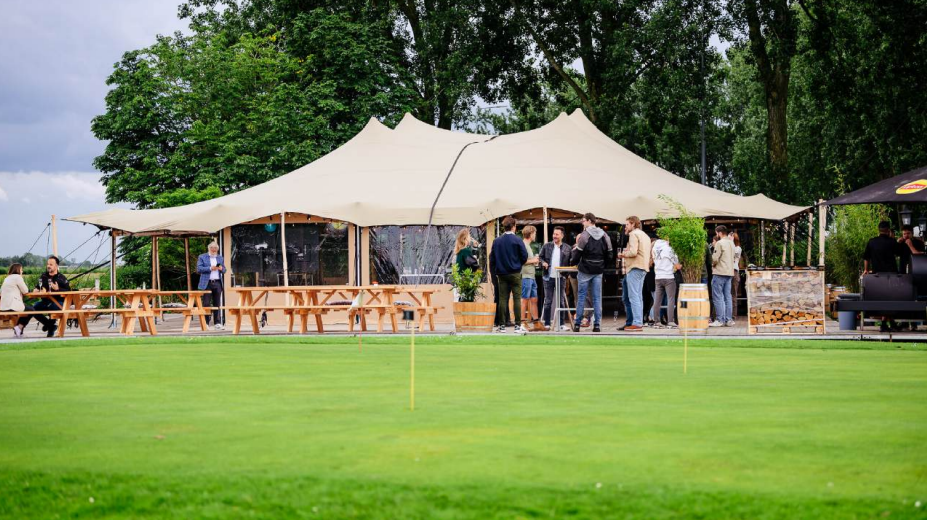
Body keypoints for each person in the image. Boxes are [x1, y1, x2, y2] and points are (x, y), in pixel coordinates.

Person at [571, 213, 613, 333]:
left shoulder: (584, 235)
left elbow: (578, 252)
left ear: (589, 221)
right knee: (597, 298)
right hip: (598, 270)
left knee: (581, 297)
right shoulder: (604, 234)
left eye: (583, 221)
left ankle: (577, 324)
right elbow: (610, 253)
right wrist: (603, 265)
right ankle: (597, 325)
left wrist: (573, 262)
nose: (582, 223)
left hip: (585, 269)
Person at [491, 216, 529, 333]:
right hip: (515, 273)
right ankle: (517, 326)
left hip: (502, 274)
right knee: (517, 299)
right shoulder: (518, 240)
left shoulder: (497, 241)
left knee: (502, 299)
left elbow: (492, 259)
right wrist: (518, 264)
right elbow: (524, 256)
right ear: (514, 227)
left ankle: (502, 326)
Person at [618, 216, 650, 332]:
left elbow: (633, 252)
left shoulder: (633, 234)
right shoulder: (645, 235)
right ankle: (633, 321)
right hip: (642, 268)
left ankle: (636, 323)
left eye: (627, 224)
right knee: (636, 296)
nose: (625, 227)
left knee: (633, 296)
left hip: (634, 267)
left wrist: (623, 254)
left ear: (633, 224)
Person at [539, 226, 572, 331]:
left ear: (562, 236)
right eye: (554, 234)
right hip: (548, 277)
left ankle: (561, 324)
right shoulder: (547, 246)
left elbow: (571, 262)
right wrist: (543, 262)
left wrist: (566, 274)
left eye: (557, 234)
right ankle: (547, 323)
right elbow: (540, 257)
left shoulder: (567, 248)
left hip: (561, 277)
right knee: (548, 301)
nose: (554, 236)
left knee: (561, 301)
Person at [33, 256, 71, 337]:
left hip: (58, 303)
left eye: (51, 264)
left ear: (56, 266)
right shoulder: (43, 276)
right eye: (47, 264)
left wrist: (58, 289)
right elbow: (38, 287)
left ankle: (50, 327)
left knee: (52, 307)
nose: (48, 266)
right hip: (45, 301)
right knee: (34, 308)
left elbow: (69, 291)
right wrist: (36, 290)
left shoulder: (61, 278)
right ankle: (50, 325)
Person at [651, 236, 680, 329]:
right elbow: (677, 264)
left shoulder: (654, 248)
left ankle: (657, 321)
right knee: (671, 299)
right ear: (667, 238)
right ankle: (670, 321)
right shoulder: (669, 249)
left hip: (658, 276)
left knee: (657, 300)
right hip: (668, 276)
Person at [710, 225, 735, 327]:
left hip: (720, 272)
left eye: (716, 233)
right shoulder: (731, 243)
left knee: (718, 297)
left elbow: (715, 258)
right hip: (729, 273)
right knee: (728, 297)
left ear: (719, 233)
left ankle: (720, 320)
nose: (716, 235)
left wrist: (712, 265)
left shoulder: (719, 243)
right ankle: (729, 320)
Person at [197, 241, 226, 330]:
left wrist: (221, 268)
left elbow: (225, 270)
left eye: (215, 249)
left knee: (217, 303)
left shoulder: (220, 258)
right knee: (206, 303)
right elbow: (199, 269)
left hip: (217, 282)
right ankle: (206, 323)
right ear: (209, 249)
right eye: (212, 248)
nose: (214, 250)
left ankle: (217, 323)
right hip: (207, 283)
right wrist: (210, 268)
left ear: (217, 249)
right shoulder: (202, 257)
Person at [1, 264, 34, 338]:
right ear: (18, 270)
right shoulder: (18, 277)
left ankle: (19, 331)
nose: (22, 271)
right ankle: (19, 328)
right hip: (12, 305)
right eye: (21, 270)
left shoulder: (7, 278)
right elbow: (25, 291)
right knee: (31, 309)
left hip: (4, 306)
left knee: (27, 308)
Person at [520, 226, 542, 328]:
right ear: (531, 233)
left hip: (531, 276)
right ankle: (522, 322)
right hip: (526, 276)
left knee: (534, 299)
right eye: (535, 233)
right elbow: (521, 261)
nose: (535, 235)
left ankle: (536, 323)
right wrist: (534, 260)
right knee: (524, 299)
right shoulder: (523, 245)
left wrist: (533, 260)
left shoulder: (528, 245)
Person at [731, 232, 743, 318]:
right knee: (728, 294)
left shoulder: (738, 248)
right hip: (728, 272)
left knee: (733, 294)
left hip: (734, 272)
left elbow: (732, 256)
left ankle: (734, 314)